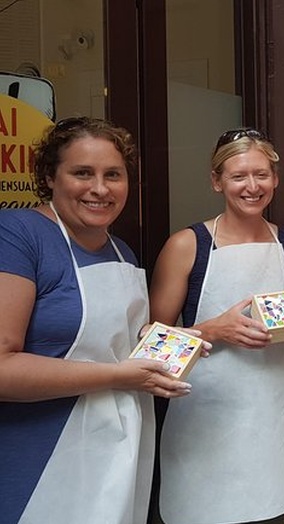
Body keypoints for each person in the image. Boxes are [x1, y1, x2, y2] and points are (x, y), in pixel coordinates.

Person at [0, 117, 192, 524]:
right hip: (37, 456)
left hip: (117, 451)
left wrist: (171, 340)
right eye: (82, 173)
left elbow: (117, 335)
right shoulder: (17, 235)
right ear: (50, 176)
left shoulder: (121, 250)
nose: (100, 189)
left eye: (113, 175)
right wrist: (119, 376)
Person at [149, 128, 284, 524]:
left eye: (261, 175)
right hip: (207, 424)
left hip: (275, 419)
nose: (252, 186)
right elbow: (151, 344)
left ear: (275, 179)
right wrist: (213, 330)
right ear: (216, 180)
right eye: (239, 176)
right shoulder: (187, 245)